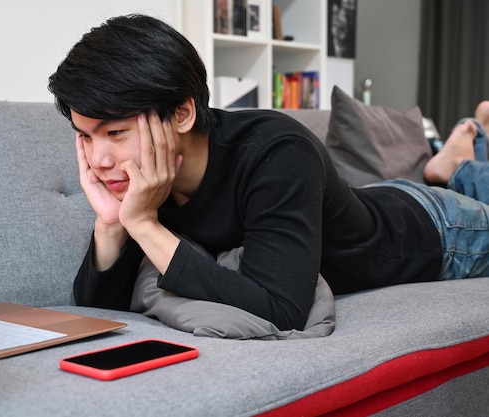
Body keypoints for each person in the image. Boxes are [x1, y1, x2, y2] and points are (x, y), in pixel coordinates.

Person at [48, 14, 489, 332]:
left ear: (182, 113)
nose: (100, 160)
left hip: (438, 229)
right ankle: (454, 160)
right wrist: (112, 224)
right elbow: (100, 313)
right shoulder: (143, 178)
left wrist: (142, 224)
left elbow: (280, 310)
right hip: (374, 197)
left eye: (116, 132)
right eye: (85, 137)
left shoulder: (278, 151)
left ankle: (463, 152)